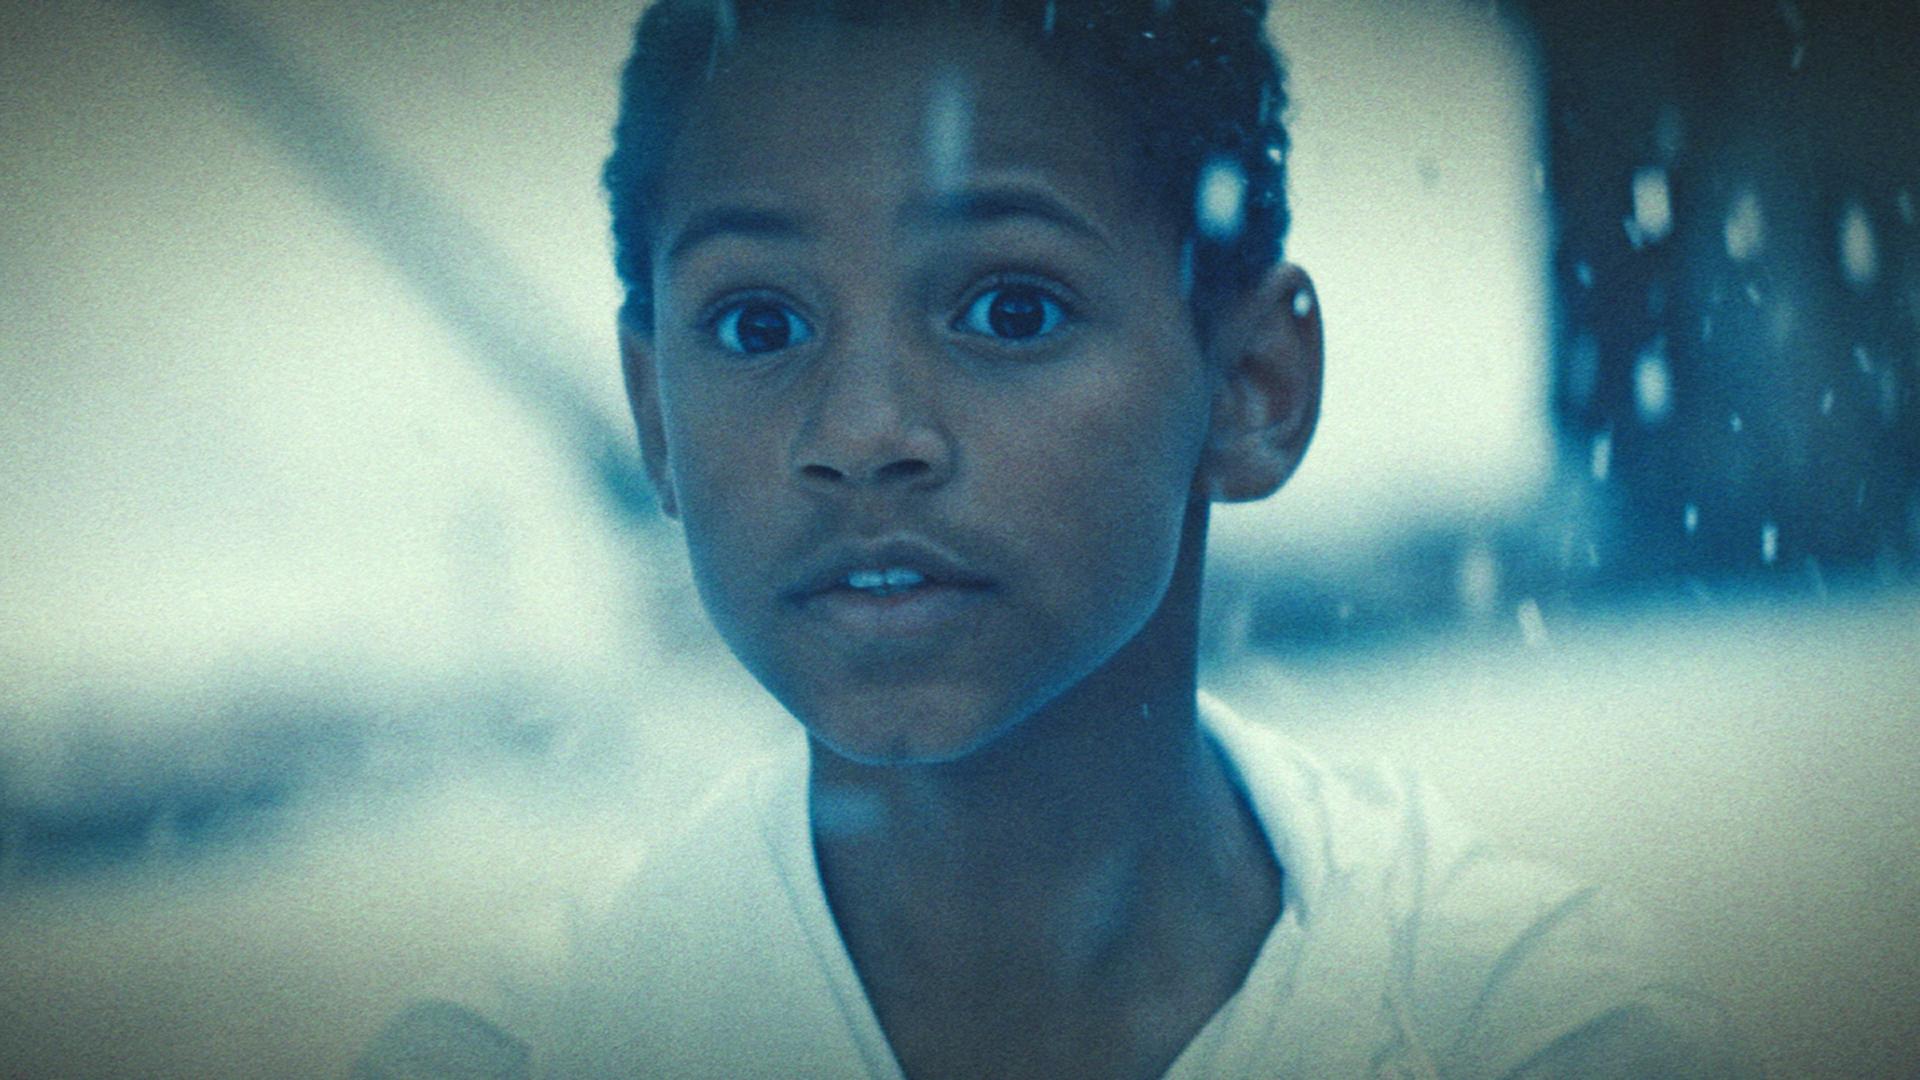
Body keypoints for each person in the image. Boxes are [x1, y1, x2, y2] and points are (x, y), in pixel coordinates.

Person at [359, 1, 1749, 1076]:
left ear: (1252, 386)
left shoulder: (1531, 1039)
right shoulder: (519, 1055)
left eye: (1009, 309)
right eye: (757, 323)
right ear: (655, 414)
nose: (863, 430)